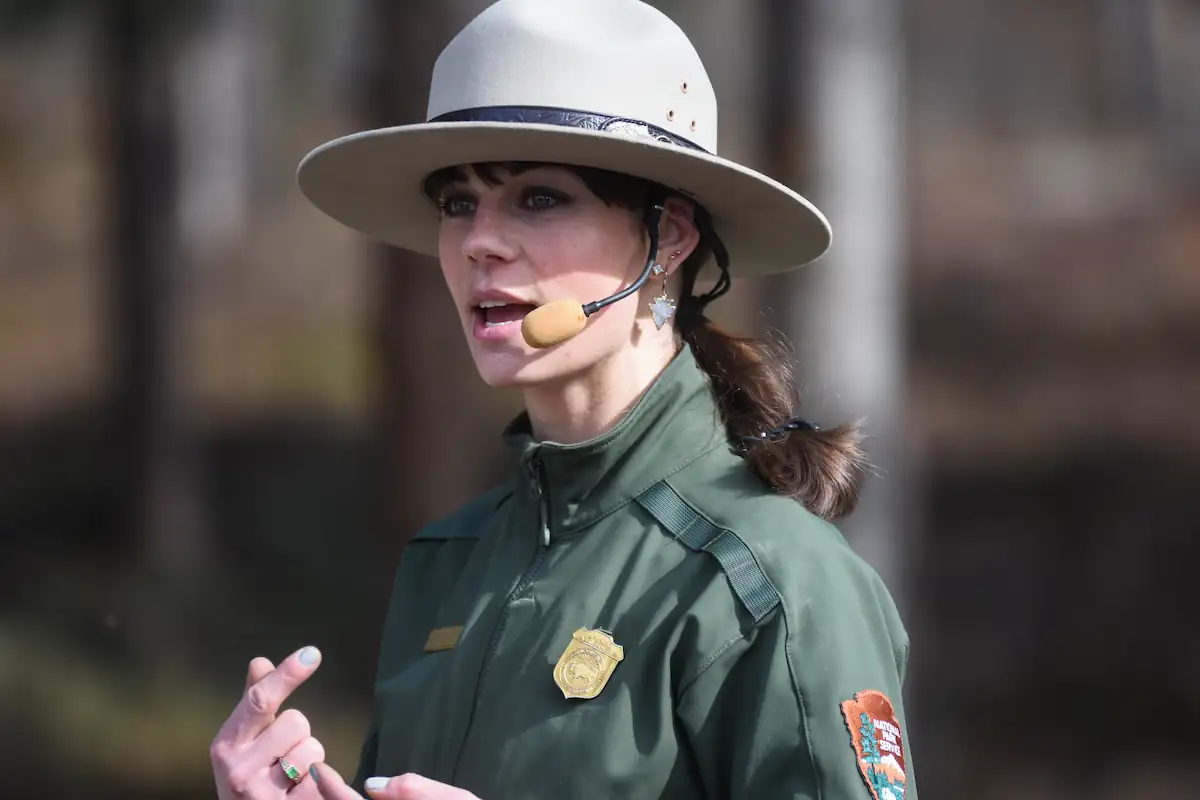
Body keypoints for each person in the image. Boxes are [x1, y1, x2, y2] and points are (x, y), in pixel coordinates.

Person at [210, 0, 917, 798]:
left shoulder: (774, 579)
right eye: (456, 203)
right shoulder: (449, 563)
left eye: (539, 198)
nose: (479, 240)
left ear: (669, 237)